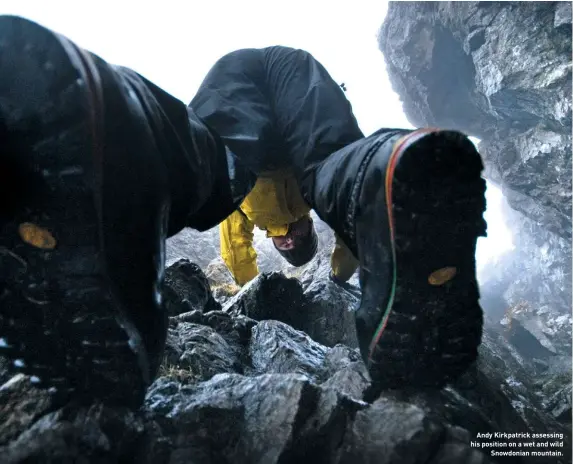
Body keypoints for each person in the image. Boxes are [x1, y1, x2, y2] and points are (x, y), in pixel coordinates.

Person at [0, 16, 487, 408]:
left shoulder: (282, 212)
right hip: (276, 73)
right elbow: (242, 253)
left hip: (280, 75)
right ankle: (107, 127)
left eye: (291, 244)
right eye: (293, 244)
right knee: (266, 165)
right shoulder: (270, 213)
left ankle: (119, 122)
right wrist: (245, 286)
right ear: (289, 236)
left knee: (234, 168)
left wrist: (341, 272)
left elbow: (353, 225)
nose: (290, 242)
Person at [218, 167, 359, 286]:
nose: (291, 240)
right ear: (309, 224)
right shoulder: (314, 192)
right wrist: (340, 275)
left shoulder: (243, 211)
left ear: (274, 242)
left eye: (286, 245)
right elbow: (349, 224)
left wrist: (256, 289)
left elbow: (235, 249)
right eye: (302, 239)